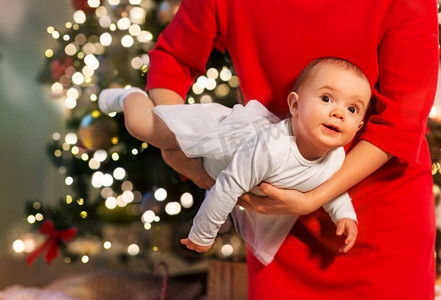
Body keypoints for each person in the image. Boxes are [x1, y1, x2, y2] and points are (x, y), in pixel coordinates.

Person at [129, 0, 440, 298]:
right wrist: (178, 144)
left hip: (383, 223)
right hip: (277, 225)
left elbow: (401, 120)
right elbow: (173, 58)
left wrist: (314, 197)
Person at [99, 57, 370, 265]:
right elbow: (228, 187)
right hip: (213, 134)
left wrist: (344, 214)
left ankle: (168, 146)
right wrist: (203, 233)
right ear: (295, 106)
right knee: (142, 126)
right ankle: (128, 96)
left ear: (358, 126)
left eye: (352, 108)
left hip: (211, 165)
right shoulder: (271, 148)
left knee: (171, 154)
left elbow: (331, 182)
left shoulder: (336, 156)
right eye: (326, 98)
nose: (338, 113)